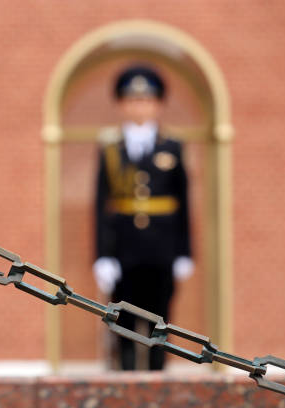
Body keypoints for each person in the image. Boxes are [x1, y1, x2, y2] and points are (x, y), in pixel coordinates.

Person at [93, 65, 193, 371]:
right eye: (133, 100)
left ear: (158, 104)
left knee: (159, 324)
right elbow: (101, 205)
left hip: (161, 250)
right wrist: (103, 255)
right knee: (123, 324)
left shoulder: (172, 146)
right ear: (122, 104)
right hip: (124, 250)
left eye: (147, 100)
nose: (140, 106)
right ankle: (125, 385)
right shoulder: (110, 148)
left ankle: (157, 383)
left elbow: (183, 203)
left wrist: (184, 252)